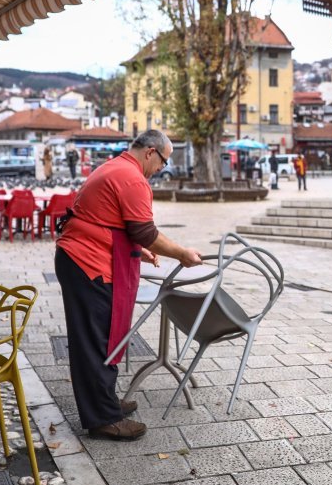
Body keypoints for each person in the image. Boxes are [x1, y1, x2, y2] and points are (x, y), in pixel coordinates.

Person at [54, 130, 202, 441]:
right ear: (150, 152)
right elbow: (144, 230)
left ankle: (104, 402)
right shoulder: (133, 178)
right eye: (163, 159)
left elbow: (116, 224)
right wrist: (181, 253)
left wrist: (138, 250)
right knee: (97, 340)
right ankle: (103, 419)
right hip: (88, 263)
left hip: (82, 256)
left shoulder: (115, 167)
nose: (163, 166)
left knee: (102, 336)